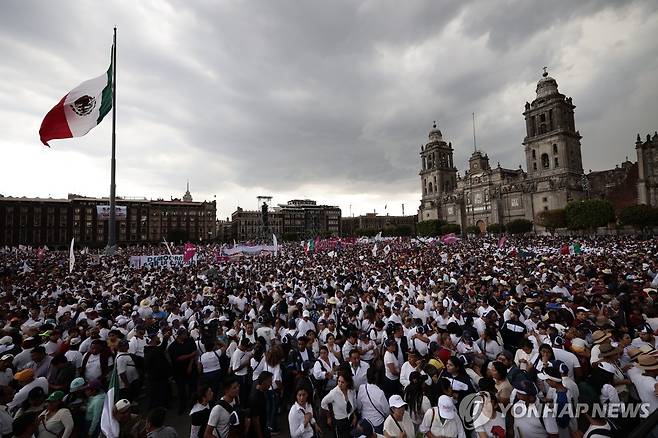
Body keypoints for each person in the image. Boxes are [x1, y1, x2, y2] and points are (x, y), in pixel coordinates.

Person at [169, 329, 199, 415]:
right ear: (180, 335)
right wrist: (190, 355)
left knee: (193, 387)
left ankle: (193, 404)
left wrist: (190, 365)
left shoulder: (190, 341)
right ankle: (182, 406)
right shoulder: (173, 347)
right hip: (178, 371)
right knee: (181, 390)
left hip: (191, 368)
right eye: (185, 334)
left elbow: (195, 352)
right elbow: (178, 358)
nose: (187, 335)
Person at [320, 372, 356, 438]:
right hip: (340, 422)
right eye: (339, 381)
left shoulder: (350, 391)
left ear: (347, 383)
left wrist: (354, 416)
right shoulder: (333, 393)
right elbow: (323, 403)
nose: (340, 384)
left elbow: (353, 405)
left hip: (349, 419)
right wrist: (328, 416)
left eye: (342, 382)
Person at [355, 367, 389, 434]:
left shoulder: (362, 388)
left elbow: (359, 406)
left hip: (365, 423)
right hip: (378, 424)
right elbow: (386, 411)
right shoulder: (380, 393)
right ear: (377, 378)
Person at [248, 371, 272, 438]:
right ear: (263, 382)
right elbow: (255, 420)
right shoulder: (256, 398)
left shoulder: (260, 390)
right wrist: (260, 435)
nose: (271, 384)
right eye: (269, 382)